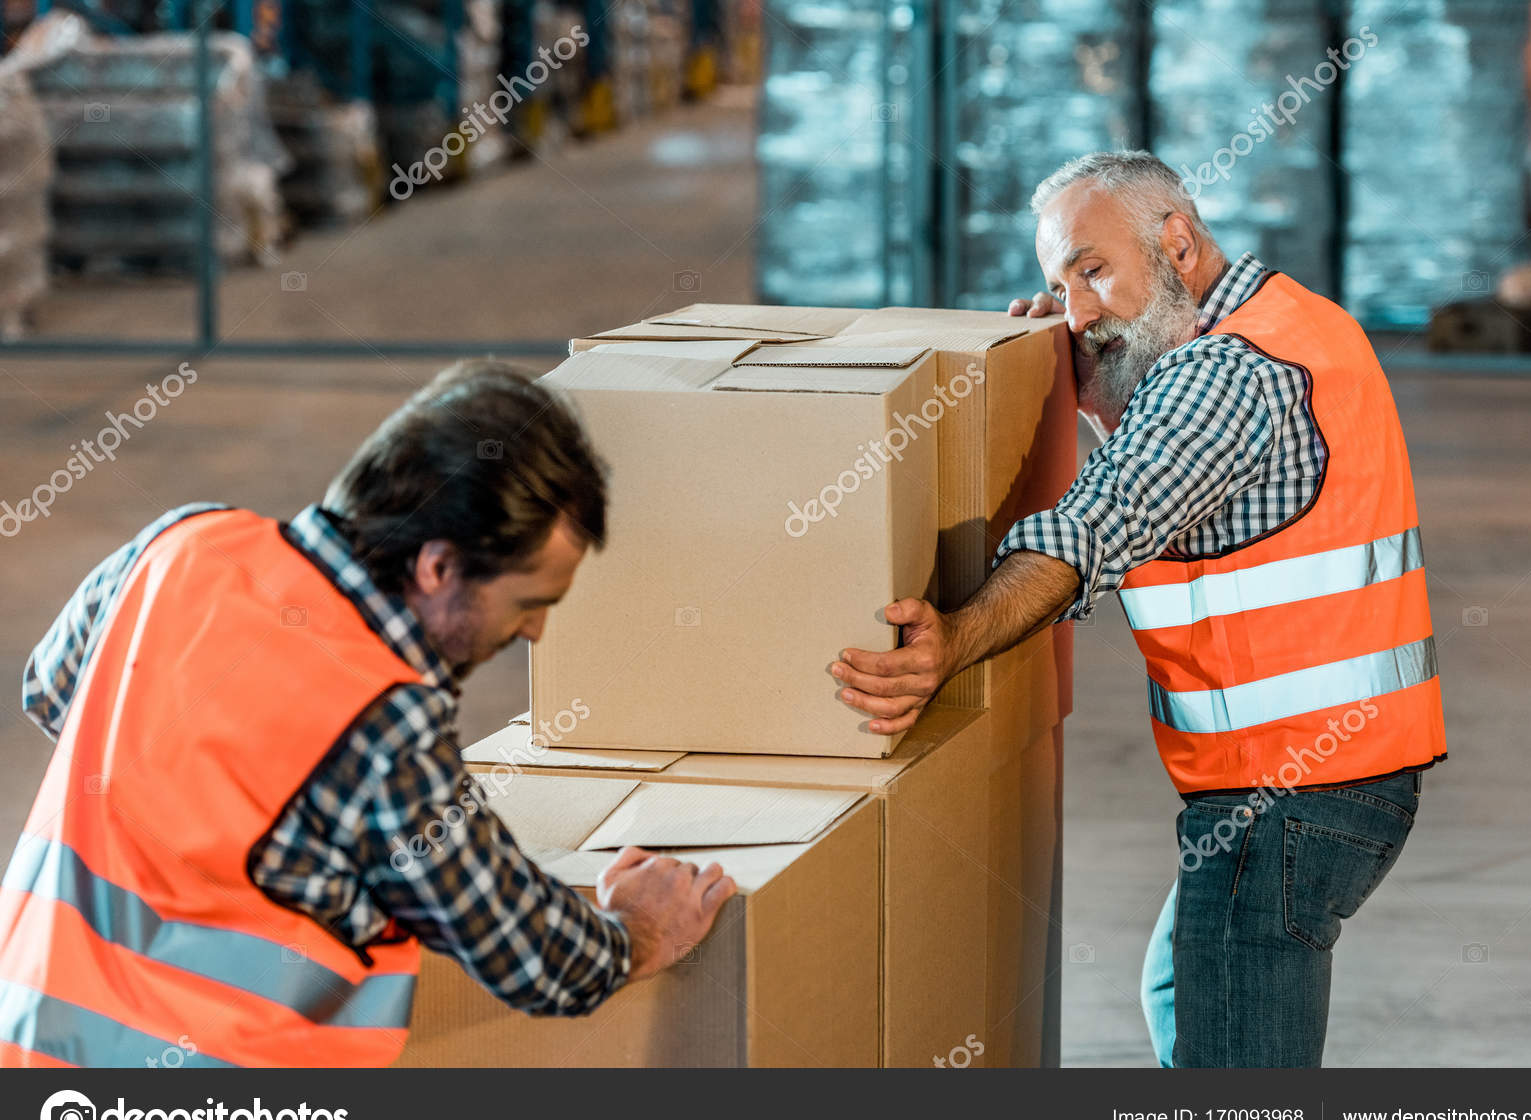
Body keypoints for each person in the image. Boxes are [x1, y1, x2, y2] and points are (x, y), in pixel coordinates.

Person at [834, 151, 1447, 1068]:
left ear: (1179, 244)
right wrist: (1093, 393)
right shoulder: (1295, 320)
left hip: (1287, 792)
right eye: (1059, 286)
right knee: (1178, 984)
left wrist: (953, 640)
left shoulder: (1225, 375)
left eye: (1093, 270)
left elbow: (1097, 523)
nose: (1076, 312)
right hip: (1346, 769)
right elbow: (1182, 475)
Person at [0, 359, 734, 1068]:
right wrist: (638, 930)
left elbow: (51, 690)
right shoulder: (385, 723)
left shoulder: (185, 544)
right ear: (438, 567)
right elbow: (532, 957)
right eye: (528, 603)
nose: (535, 631)